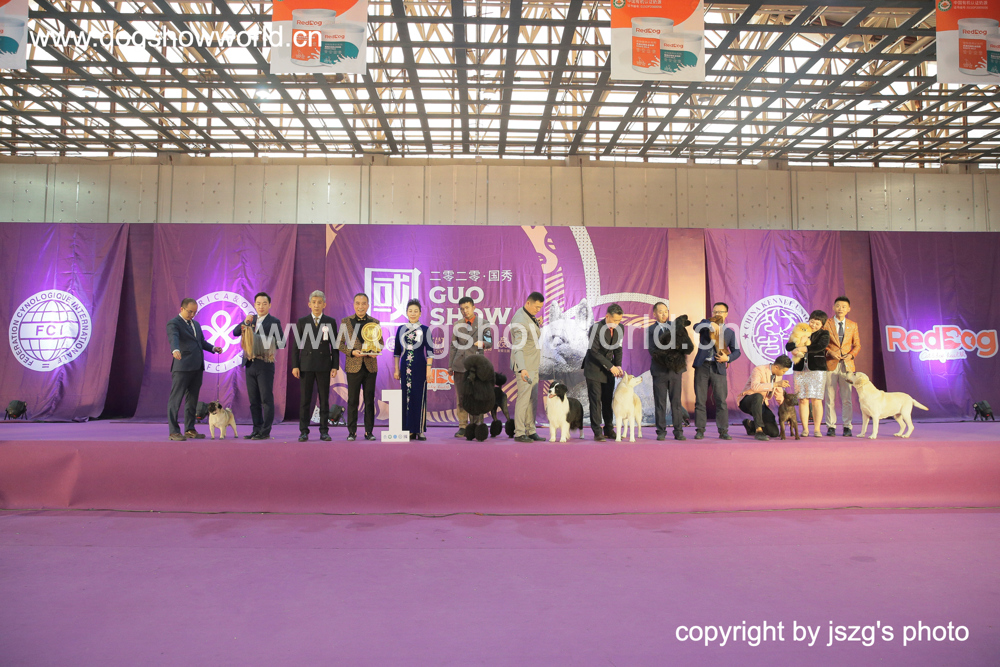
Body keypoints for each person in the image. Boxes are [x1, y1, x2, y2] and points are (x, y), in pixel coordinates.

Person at [167, 298, 222, 441]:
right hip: (182, 367)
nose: (192, 315)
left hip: (197, 367)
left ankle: (190, 429)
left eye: (194, 312)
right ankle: (174, 431)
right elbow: (173, 337)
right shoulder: (174, 323)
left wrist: (213, 348)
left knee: (192, 400)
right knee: (176, 400)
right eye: (190, 312)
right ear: (182, 309)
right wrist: (175, 349)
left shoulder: (196, 324)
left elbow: (201, 342)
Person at [291, 290, 340, 442]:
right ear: (309, 304)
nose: (316, 305)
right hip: (306, 365)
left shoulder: (330, 321)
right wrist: (295, 365)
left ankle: (324, 431)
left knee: (324, 400)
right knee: (305, 400)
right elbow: (296, 346)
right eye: (314, 302)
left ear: (324, 304)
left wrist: (335, 366)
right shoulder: (302, 321)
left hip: (324, 365)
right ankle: (303, 431)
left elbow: (335, 346)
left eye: (319, 302)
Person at [232, 292, 282, 441]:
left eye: (264, 304)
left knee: (266, 399)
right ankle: (256, 429)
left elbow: (281, 342)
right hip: (250, 364)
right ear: (254, 305)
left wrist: (260, 341)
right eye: (258, 304)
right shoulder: (250, 320)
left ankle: (265, 431)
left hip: (265, 364)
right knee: (254, 400)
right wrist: (245, 322)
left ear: (269, 305)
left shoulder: (274, 322)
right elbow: (235, 332)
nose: (261, 306)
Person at [692, 302, 741, 440]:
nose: (717, 314)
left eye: (720, 312)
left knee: (721, 401)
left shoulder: (729, 332)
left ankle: (723, 431)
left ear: (726, 314)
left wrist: (728, 358)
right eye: (715, 312)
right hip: (702, 366)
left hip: (718, 367)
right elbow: (695, 327)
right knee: (700, 400)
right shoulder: (705, 324)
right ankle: (700, 430)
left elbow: (737, 351)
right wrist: (710, 325)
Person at [340, 293, 383, 441]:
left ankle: (369, 432)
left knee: (369, 400)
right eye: (358, 303)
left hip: (370, 367)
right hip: (353, 366)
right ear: (353, 305)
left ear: (368, 305)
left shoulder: (374, 322)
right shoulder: (346, 322)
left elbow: (381, 343)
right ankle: (351, 432)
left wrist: (376, 352)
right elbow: (339, 344)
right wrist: (351, 352)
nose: (360, 306)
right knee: (352, 400)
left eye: (364, 303)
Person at [448, 296, 493, 438]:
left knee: (477, 396)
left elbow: (489, 342)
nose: (465, 311)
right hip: (459, 365)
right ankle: (463, 426)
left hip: (477, 366)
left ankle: (477, 424)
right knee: (461, 397)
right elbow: (453, 346)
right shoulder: (457, 324)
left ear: (473, 307)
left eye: (467, 308)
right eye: (462, 309)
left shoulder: (484, 323)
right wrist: (450, 366)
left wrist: (483, 343)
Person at [785, 310, 831, 438]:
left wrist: (802, 348)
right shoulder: (800, 330)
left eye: (817, 323)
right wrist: (799, 342)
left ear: (822, 325)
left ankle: (817, 429)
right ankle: (805, 429)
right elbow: (788, 346)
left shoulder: (824, 334)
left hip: (817, 370)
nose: (813, 325)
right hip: (800, 370)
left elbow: (820, 346)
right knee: (802, 399)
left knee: (816, 400)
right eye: (812, 322)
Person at [394, 299, 435, 441]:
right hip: (405, 367)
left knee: (419, 397)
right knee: (406, 397)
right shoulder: (401, 329)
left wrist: (428, 370)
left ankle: (419, 430)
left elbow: (430, 352)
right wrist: (396, 370)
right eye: (410, 311)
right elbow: (396, 352)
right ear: (406, 312)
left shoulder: (425, 330)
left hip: (420, 367)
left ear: (420, 313)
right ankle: (408, 429)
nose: (413, 313)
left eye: (415, 311)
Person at [583, 303, 624, 441]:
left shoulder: (620, 328)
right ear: (607, 316)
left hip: (609, 370)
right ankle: (597, 431)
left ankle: (608, 429)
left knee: (607, 400)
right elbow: (594, 351)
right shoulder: (595, 328)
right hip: (594, 368)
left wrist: (618, 365)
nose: (617, 324)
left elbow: (618, 348)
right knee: (596, 401)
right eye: (615, 320)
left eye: (619, 320)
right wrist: (611, 366)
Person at [648, 302, 688, 441]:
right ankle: (661, 432)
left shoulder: (676, 326)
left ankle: (678, 431)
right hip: (659, 371)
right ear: (654, 314)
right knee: (660, 403)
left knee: (676, 402)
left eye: (666, 311)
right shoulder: (650, 330)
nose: (664, 314)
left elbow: (684, 345)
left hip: (675, 371)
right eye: (660, 312)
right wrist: (668, 357)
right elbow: (652, 350)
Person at [510, 291, 545, 443]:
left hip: (533, 364)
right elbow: (517, 348)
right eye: (536, 307)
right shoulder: (520, 322)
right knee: (524, 399)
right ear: (528, 303)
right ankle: (519, 432)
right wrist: (522, 369)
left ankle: (531, 430)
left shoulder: (527, 314)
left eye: (540, 308)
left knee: (532, 399)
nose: (538, 310)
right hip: (525, 366)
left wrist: (536, 323)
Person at [824, 296, 861, 437]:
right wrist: (830, 352)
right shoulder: (826, 324)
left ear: (848, 309)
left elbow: (857, 345)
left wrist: (851, 355)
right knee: (829, 397)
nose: (841, 309)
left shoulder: (853, 325)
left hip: (847, 365)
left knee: (847, 398)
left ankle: (847, 426)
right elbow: (822, 343)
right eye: (838, 306)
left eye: (844, 306)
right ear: (834, 307)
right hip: (830, 363)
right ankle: (831, 426)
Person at [738, 355, 793, 441]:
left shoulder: (778, 375)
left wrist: (787, 412)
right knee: (758, 396)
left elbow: (779, 395)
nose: (784, 373)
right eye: (783, 371)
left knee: (774, 433)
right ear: (776, 367)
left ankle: (750, 425)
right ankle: (759, 431)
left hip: (761, 404)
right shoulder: (759, 370)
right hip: (747, 401)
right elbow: (755, 387)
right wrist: (775, 384)